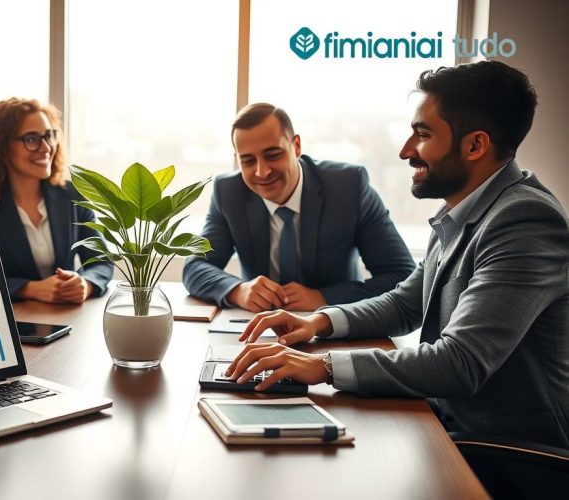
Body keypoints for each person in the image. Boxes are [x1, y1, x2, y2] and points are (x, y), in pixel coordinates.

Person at [226, 61, 569, 447]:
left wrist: (322, 366)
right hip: (451, 427)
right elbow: (405, 304)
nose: (406, 151)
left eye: (422, 134)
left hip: (510, 451)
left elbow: (460, 362)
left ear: (475, 145)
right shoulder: (464, 210)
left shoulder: (524, 220)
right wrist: (317, 323)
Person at [183, 103, 415, 311]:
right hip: (257, 331)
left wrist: (323, 297)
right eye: (248, 160)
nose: (262, 172)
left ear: (296, 146)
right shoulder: (228, 192)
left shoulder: (348, 187)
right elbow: (195, 267)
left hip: (335, 327)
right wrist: (238, 291)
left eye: (273, 155)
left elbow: (402, 275)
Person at [0, 98, 112, 303]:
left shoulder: (72, 196)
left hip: (68, 317)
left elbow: (101, 262)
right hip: (19, 323)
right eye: (31, 139)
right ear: (1, 147)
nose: (46, 147)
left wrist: (86, 284)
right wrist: (30, 289)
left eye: (49, 136)